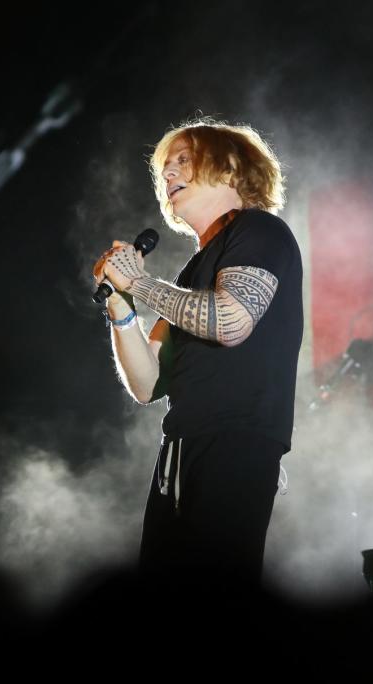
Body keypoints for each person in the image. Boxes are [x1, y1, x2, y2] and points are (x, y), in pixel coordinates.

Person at [92, 119, 303, 586]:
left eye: (183, 160)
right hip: (179, 454)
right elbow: (147, 384)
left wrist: (142, 283)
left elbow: (230, 321)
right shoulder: (191, 272)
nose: (168, 175)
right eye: (165, 169)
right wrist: (121, 306)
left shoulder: (260, 231)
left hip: (235, 446)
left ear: (229, 168)